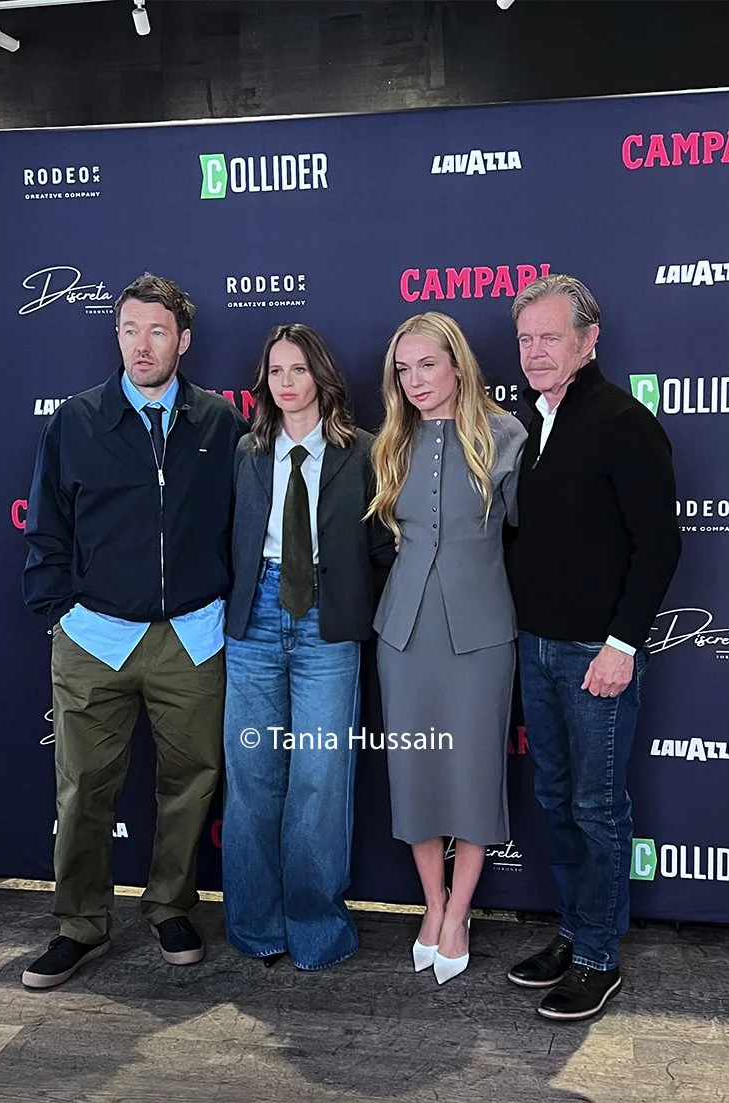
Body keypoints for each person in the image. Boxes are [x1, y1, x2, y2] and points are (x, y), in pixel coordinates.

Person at [20, 272, 248, 989]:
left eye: (156, 331)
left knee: (191, 782)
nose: (141, 345)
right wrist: (58, 612)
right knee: (83, 787)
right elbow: (47, 524)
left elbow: (243, 527)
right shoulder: (75, 420)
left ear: (184, 340)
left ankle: (171, 906)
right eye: (128, 330)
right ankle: (79, 924)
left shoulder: (221, 423)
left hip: (193, 637)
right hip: (94, 637)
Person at [506, 274, 681, 1021]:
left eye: (550, 336)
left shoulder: (623, 422)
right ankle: (576, 932)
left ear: (588, 339)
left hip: (595, 655)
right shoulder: (534, 422)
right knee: (556, 799)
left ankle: (599, 958)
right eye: (526, 339)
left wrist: (621, 645)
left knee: (598, 808)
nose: (535, 352)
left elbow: (660, 544)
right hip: (537, 647)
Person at [222, 323, 394, 971]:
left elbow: (384, 548)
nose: (287, 382)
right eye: (276, 371)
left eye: (298, 369)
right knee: (252, 777)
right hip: (255, 618)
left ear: (323, 377)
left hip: (330, 620)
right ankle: (256, 926)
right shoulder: (246, 452)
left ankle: (317, 929)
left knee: (321, 779)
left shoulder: (365, 451)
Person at [366, 311, 528, 985]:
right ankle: (431, 905)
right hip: (404, 634)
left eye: (427, 365)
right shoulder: (391, 440)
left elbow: (531, 534)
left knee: (473, 774)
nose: (415, 381)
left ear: (458, 364)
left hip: (482, 633)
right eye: (403, 370)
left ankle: (460, 913)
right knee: (416, 775)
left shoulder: (507, 435)